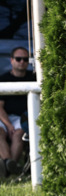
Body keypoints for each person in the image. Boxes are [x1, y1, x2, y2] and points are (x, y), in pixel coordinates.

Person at [0, 47, 34, 177]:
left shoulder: (34, 77)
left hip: (24, 117)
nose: (22, 62)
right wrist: (9, 125)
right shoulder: (3, 79)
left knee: (19, 134)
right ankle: (10, 165)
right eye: (18, 59)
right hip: (5, 117)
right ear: (11, 60)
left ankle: (8, 168)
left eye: (25, 59)